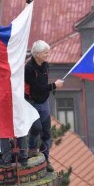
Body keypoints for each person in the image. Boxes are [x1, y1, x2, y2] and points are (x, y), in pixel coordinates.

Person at [25, 40, 64, 172]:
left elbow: (43, 85)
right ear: (37, 54)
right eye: (45, 53)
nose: (48, 54)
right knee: (36, 127)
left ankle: (46, 159)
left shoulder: (46, 65)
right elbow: (35, 89)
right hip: (32, 103)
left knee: (46, 133)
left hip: (44, 102)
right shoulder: (29, 68)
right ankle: (32, 148)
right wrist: (54, 86)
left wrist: (51, 87)